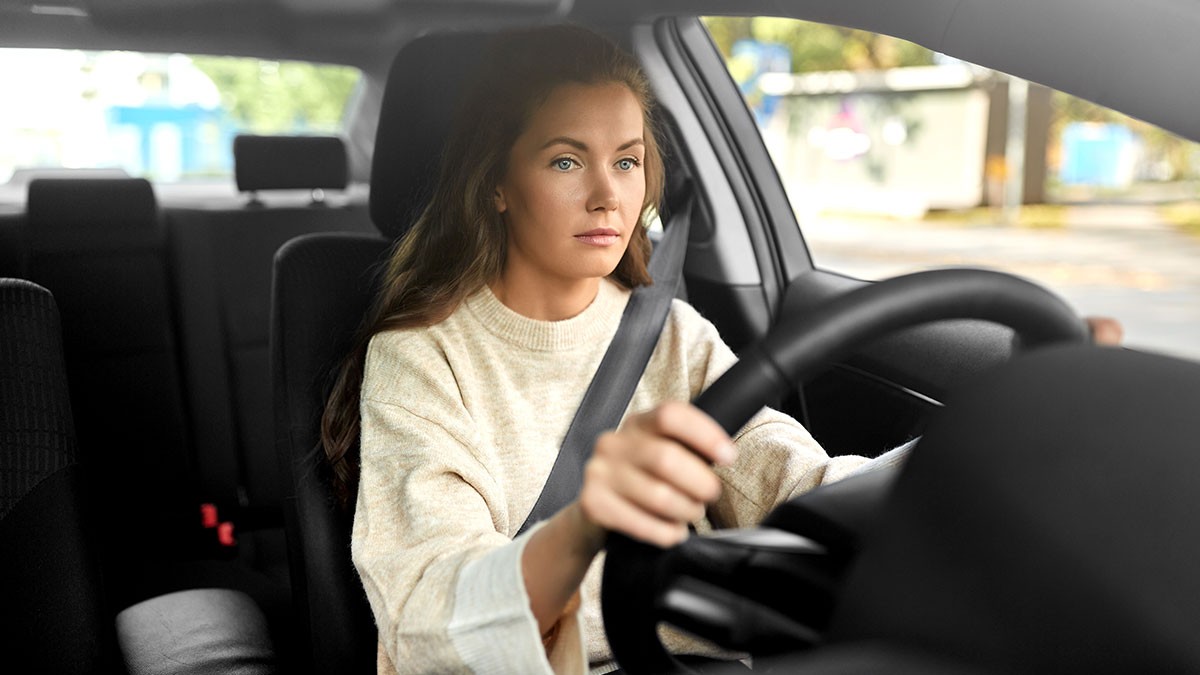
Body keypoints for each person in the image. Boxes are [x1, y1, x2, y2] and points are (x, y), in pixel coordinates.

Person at [320, 25, 1121, 675]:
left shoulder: (666, 331)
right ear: (496, 182)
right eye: (566, 159)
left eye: (627, 161)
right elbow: (426, 611)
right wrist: (586, 525)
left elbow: (800, 485)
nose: (609, 195)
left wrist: (1008, 425)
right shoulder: (422, 356)